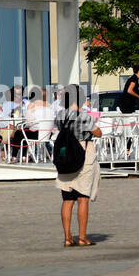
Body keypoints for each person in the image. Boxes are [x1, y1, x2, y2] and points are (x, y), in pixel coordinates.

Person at [55, 94, 102, 247]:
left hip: (65, 155)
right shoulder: (84, 117)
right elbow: (98, 133)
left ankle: (68, 238)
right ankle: (82, 237)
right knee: (83, 198)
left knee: (67, 200)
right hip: (83, 154)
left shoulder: (60, 116)